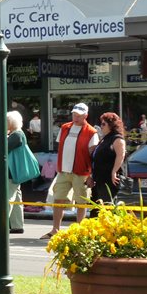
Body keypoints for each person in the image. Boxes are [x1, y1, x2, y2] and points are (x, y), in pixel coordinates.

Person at [41, 102, 99, 240]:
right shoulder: (65, 128)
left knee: (81, 202)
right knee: (58, 199)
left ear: (85, 116)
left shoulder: (92, 132)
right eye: (74, 114)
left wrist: (91, 175)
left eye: (79, 115)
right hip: (63, 171)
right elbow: (62, 147)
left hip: (82, 172)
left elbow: (94, 156)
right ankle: (55, 230)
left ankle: (80, 232)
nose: (76, 117)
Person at [87, 112, 126, 215]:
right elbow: (96, 158)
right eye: (101, 124)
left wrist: (114, 172)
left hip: (109, 181)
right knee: (95, 212)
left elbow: (120, 156)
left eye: (104, 124)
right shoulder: (104, 139)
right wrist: (91, 175)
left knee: (107, 210)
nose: (101, 126)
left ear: (111, 125)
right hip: (98, 181)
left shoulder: (117, 138)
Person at [5, 111, 27, 234]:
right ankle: (17, 225)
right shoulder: (19, 134)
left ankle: (1, 224)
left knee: (8, 197)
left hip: (11, 171)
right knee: (16, 198)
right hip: (16, 171)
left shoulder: (16, 135)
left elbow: (2, 148)